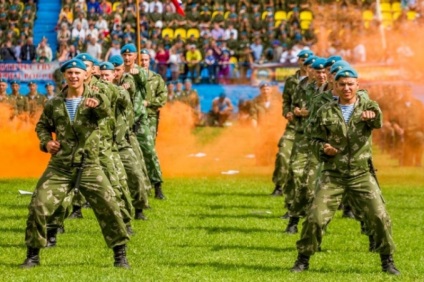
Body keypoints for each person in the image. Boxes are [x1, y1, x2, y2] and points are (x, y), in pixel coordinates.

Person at [20, 58, 130, 269]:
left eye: (77, 73)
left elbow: (106, 112)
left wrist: (97, 105)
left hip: (89, 165)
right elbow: (42, 126)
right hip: (60, 166)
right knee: (38, 205)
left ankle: (120, 254)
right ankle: (32, 255)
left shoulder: (96, 97)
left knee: (110, 207)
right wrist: (46, 142)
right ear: (65, 76)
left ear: (85, 75)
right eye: (70, 72)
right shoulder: (54, 103)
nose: (73, 76)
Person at [291, 68, 400, 276]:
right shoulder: (325, 111)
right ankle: (303, 259)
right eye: (342, 84)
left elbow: (378, 120)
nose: (347, 88)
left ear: (357, 86)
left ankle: (387, 260)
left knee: (379, 215)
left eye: (350, 84)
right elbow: (313, 138)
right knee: (315, 218)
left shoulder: (368, 106)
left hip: (361, 175)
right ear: (335, 86)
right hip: (333, 175)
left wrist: (371, 116)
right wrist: (323, 148)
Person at [109, 54, 152, 219]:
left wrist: (127, 85)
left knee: (136, 173)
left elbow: (132, 85)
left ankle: (139, 208)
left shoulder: (127, 81)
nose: (116, 73)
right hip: (103, 143)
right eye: (112, 71)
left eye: (118, 70)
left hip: (124, 138)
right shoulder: (98, 88)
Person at [121, 44, 165, 200]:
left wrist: (137, 74)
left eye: (130, 55)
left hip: (140, 119)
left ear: (135, 57)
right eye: (124, 55)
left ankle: (157, 185)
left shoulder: (140, 72)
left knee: (149, 151)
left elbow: (144, 85)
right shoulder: (119, 71)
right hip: (123, 122)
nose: (127, 58)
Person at [271, 50, 312, 200]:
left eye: (309, 62)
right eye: (303, 60)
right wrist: (287, 112)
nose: (306, 64)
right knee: (283, 154)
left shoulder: (321, 82)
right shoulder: (291, 81)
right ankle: (279, 185)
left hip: (313, 129)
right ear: (298, 61)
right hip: (294, 126)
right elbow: (286, 102)